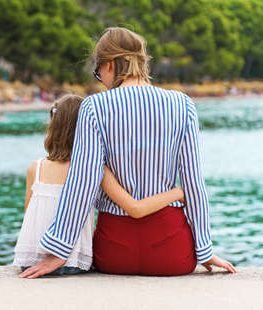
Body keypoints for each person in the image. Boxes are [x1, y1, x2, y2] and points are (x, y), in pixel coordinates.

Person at [19, 27, 236, 279]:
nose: (100, 78)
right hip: (172, 253)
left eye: (97, 72)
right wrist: (205, 249)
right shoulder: (183, 104)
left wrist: (59, 251)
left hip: (114, 253)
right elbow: (194, 184)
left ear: (109, 65)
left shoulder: (94, 107)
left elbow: (83, 183)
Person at [14, 94, 186, 275]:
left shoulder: (35, 168)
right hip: (74, 261)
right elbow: (135, 208)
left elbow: (28, 216)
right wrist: (178, 193)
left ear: (53, 127)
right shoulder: (95, 170)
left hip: (31, 261)